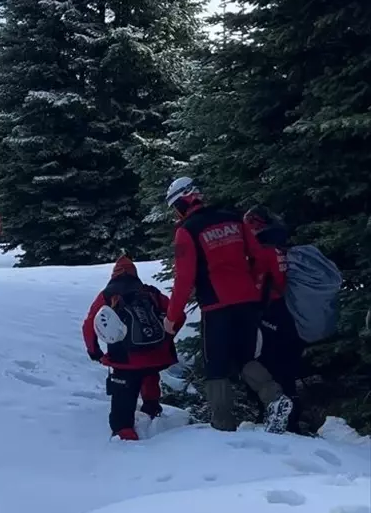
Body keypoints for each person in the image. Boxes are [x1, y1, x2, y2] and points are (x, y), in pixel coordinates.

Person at [163, 177, 292, 433]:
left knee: (217, 366)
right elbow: (258, 256)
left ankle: (222, 428)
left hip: (216, 306)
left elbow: (184, 279)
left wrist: (171, 318)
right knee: (245, 357)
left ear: (182, 201)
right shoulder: (234, 218)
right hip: (247, 301)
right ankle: (276, 398)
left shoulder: (187, 231)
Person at [82, 256, 177, 440]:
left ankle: (124, 433)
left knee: (123, 393)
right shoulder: (150, 292)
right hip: (155, 357)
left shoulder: (108, 295)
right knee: (149, 375)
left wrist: (95, 352)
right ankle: (152, 410)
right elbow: (176, 313)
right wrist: (166, 339)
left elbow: (89, 326)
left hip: (124, 360)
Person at [244, 205, 306, 434]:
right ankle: (291, 418)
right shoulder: (278, 248)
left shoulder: (261, 250)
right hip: (285, 312)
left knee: (265, 364)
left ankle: (279, 415)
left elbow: (258, 283)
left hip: (269, 313)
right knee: (286, 368)